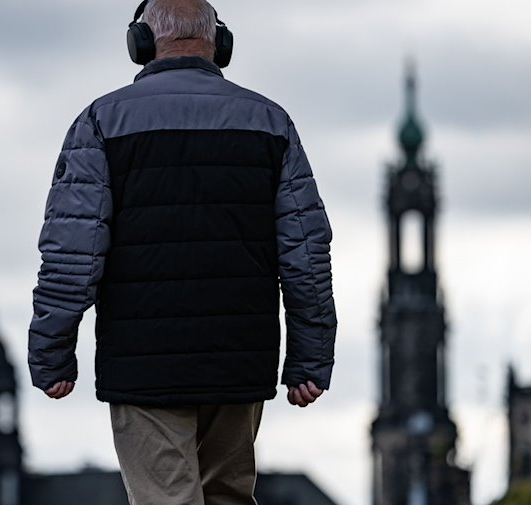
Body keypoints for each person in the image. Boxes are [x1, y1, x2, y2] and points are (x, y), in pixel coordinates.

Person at [28, 0, 337, 503]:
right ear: (220, 43)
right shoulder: (271, 123)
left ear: (141, 44)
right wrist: (310, 359)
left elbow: (71, 254)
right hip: (238, 360)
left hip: (145, 366)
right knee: (229, 497)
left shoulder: (101, 123)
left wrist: (52, 352)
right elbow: (306, 256)